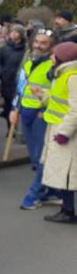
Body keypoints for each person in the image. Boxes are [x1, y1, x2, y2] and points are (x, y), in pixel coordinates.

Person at [11, 30, 57, 209]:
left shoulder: (53, 67)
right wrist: (15, 108)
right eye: (36, 42)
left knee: (41, 157)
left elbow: (58, 93)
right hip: (26, 113)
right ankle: (52, 191)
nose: (38, 45)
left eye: (43, 43)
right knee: (34, 157)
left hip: (41, 115)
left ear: (51, 46)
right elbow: (21, 87)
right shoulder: (29, 63)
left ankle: (34, 194)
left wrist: (44, 109)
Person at [41, 42, 77, 223]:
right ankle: (67, 209)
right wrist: (43, 96)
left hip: (66, 133)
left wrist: (64, 132)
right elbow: (58, 99)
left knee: (68, 174)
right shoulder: (62, 74)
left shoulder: (72, 77)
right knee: (66, 173)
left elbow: (75, 109)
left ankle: (68, 211)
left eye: (54, 54)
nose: (51, 57)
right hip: (58, 128)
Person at [0, 25, 27, 125]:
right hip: (7, 80)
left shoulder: (25, 49)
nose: (13, 34)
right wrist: (1, 72)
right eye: (12, 32)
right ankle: (10, 126)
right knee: (8, 106)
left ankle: (18, 127)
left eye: (16, 32)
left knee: (18, 105)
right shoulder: (5, 47)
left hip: (19, 80)